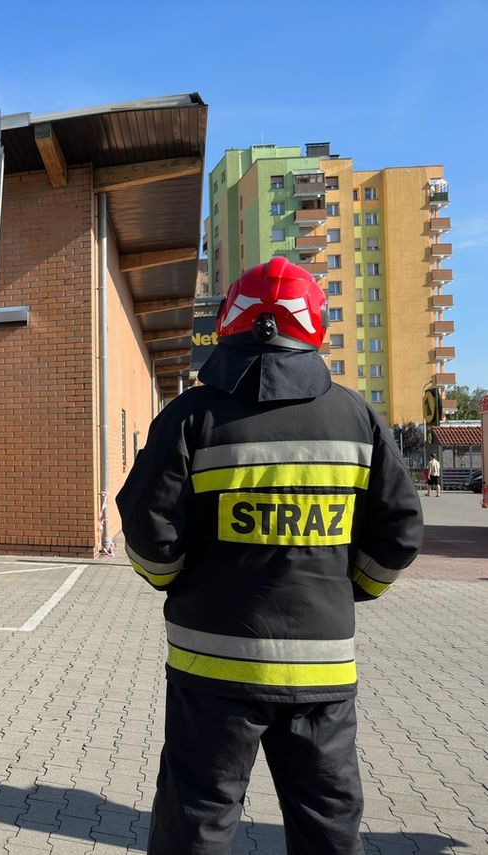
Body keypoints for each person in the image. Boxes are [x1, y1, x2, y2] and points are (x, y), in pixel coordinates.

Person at [116, 257, 423, 855]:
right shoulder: (356, 417)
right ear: (313, 329)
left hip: (211, 667)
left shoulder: (191, 416)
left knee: (198, 818)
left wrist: (173, 580)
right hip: (322, 671)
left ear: (231, 322)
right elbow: (401, 533)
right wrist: (349, 588)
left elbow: (149, 533)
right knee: (328, 826)